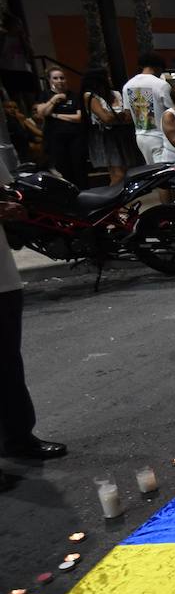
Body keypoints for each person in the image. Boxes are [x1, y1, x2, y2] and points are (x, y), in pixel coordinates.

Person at [0, 183, 67, 482]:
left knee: (8, 364)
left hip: (3, 278)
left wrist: (12, 207)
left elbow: (8, 192)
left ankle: (17, 438)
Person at [33, 68, 86, 187]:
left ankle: (84, 191)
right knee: (63, 167)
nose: (59, 81)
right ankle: (69, 192)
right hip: (55, 137)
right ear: (50, 80)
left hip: (75, 136)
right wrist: (54, 99)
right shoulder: (45, 95)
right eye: (55, 78)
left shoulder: (73, 95)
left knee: (79, 166)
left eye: (62, 78)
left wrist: (55, 115)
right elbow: (42, 113)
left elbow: (78, 117)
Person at [81, 68, 134, 185]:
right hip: (106, 136)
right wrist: (119, 116)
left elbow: (128, 116)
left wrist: (114, 116)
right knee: (118, 174)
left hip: (122, 134)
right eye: (107, 77)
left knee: (126, 172)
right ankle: (113, 196)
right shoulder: (90, 96)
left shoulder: (115, 93)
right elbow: (106, 118)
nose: (110, 79)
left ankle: (121, 195)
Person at [122, 52, 172, 166]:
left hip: (141, 136)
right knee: (164, 170)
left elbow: (127, 113)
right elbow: (173, 111)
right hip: (160, 136)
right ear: (158, 67)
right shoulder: (161, 85)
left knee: (151, 170)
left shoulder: (127, 85)